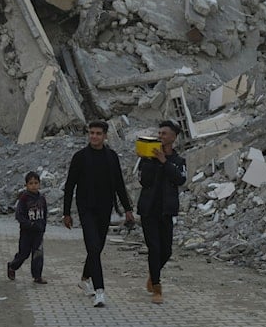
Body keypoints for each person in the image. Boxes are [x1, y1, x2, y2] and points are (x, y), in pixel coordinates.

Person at [63, 120, 134, 307]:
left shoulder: (111, 157)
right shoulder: (80, 157)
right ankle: (100, 291)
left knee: (96, 249)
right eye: (91, 133)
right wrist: (66, 213)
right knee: (93, 248)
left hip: (105, 209)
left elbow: (119, 184)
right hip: (86, 209)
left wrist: (127, 209)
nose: (94, 136)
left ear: (105, 136)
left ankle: (85, 279)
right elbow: (70, 186)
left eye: (98, 133)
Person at [136, 120, 187, 304]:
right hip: (149, 210)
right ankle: (157, 288)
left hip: (166, 211)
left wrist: (164, 162)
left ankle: (153, 274)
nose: (160, 137)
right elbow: (143, 181)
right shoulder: (147, 158)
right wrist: (150, 161)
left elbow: (180, 179)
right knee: (154, 248)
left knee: (166, 250)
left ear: (173, 137)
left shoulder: (178, 161)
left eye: (164, 134)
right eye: (159, 133)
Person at [7, 171, 48, 284]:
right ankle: (12, 266)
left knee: (38, 254)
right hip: (26, 233)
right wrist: (29, 224)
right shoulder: (24, 199)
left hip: (38, 232)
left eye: (36, 183)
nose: (34, 185)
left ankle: (37, 276)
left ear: (39, 184)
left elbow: (45, 214)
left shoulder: (41, 198)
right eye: (31, 183)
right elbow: (19, 215)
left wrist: (43, 226)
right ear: (26, 185)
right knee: (24, 254)